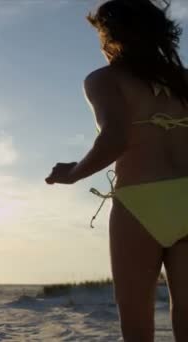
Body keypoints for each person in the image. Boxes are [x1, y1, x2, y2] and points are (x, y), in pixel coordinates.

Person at [46, 1, 188, 340]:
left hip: (139, 201)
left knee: (136, 321)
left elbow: (115, 138)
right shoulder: (185, 80)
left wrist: (73, 173)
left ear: (111, 36)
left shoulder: (104, 79)